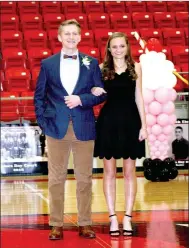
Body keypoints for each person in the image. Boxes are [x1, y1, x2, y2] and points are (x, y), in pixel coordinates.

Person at [34, 19, 106, 240]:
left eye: (75, 33)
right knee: (56, 179)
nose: (71, 37)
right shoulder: (48, 64)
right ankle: (56, 224)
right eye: (67, 34)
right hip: (56, 128)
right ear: (59, 37)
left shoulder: (91, 63)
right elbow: (39, 97)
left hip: (84, 127)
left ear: (80, 36)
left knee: (84, 179)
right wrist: (44, 124)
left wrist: (81, 99)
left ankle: (85, 223)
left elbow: (101, 93)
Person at [92, 32, 147, 236]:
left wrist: (145, 125)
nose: (117, 50)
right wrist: (95, 90)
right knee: (109, 172)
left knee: (130, 172)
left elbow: (138, 96)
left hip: (131, 122)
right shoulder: (101, 69)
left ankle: (128, 217)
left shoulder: (137, 67)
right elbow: (95, 94)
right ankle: (113, 217)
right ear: (109, 49)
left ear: (127, 47)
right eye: (114, 47)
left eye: (121, 46)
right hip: (108, 122)